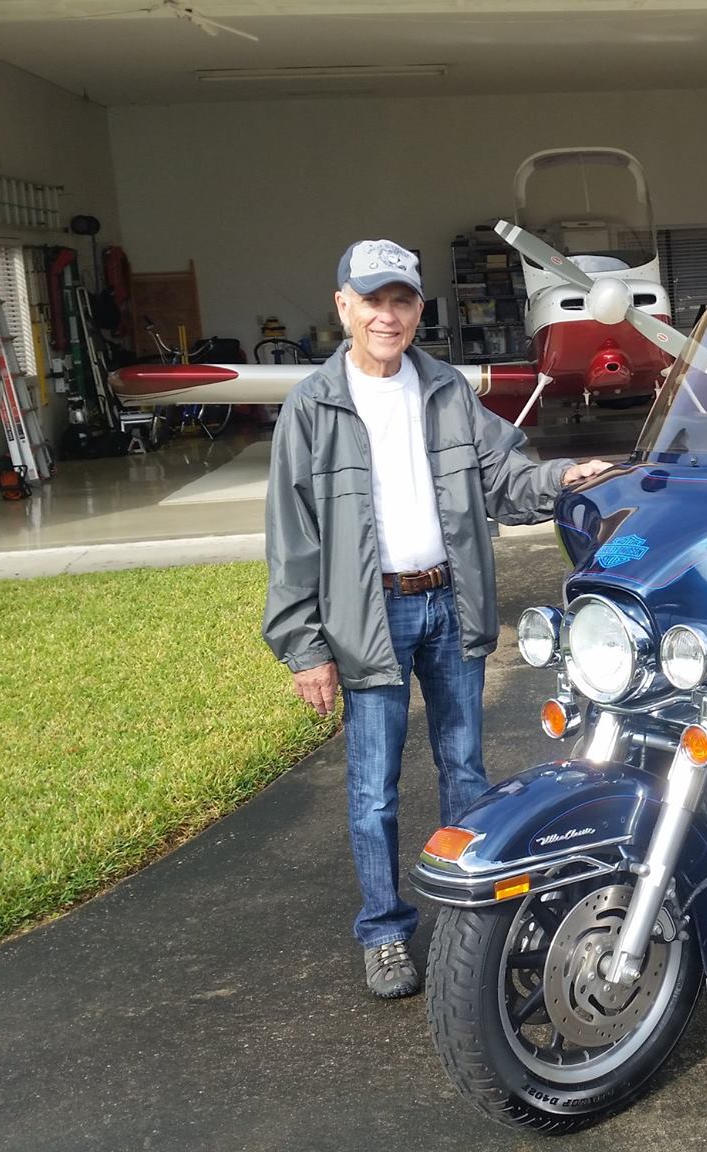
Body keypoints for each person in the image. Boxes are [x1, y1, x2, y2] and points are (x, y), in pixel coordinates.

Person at [263, 239, 610, 999]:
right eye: (374, 300)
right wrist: (303, 648)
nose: (388, 316)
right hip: (370, 613)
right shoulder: (313, 406)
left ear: (419, 309)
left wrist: (564, 477)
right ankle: (385, 931)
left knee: (466, 772)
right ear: (344, 306)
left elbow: (505, 475)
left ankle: (473, 916)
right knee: (373, 788)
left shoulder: (446, 389)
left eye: (403, 301)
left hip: (448, 602)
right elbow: (291, 536)